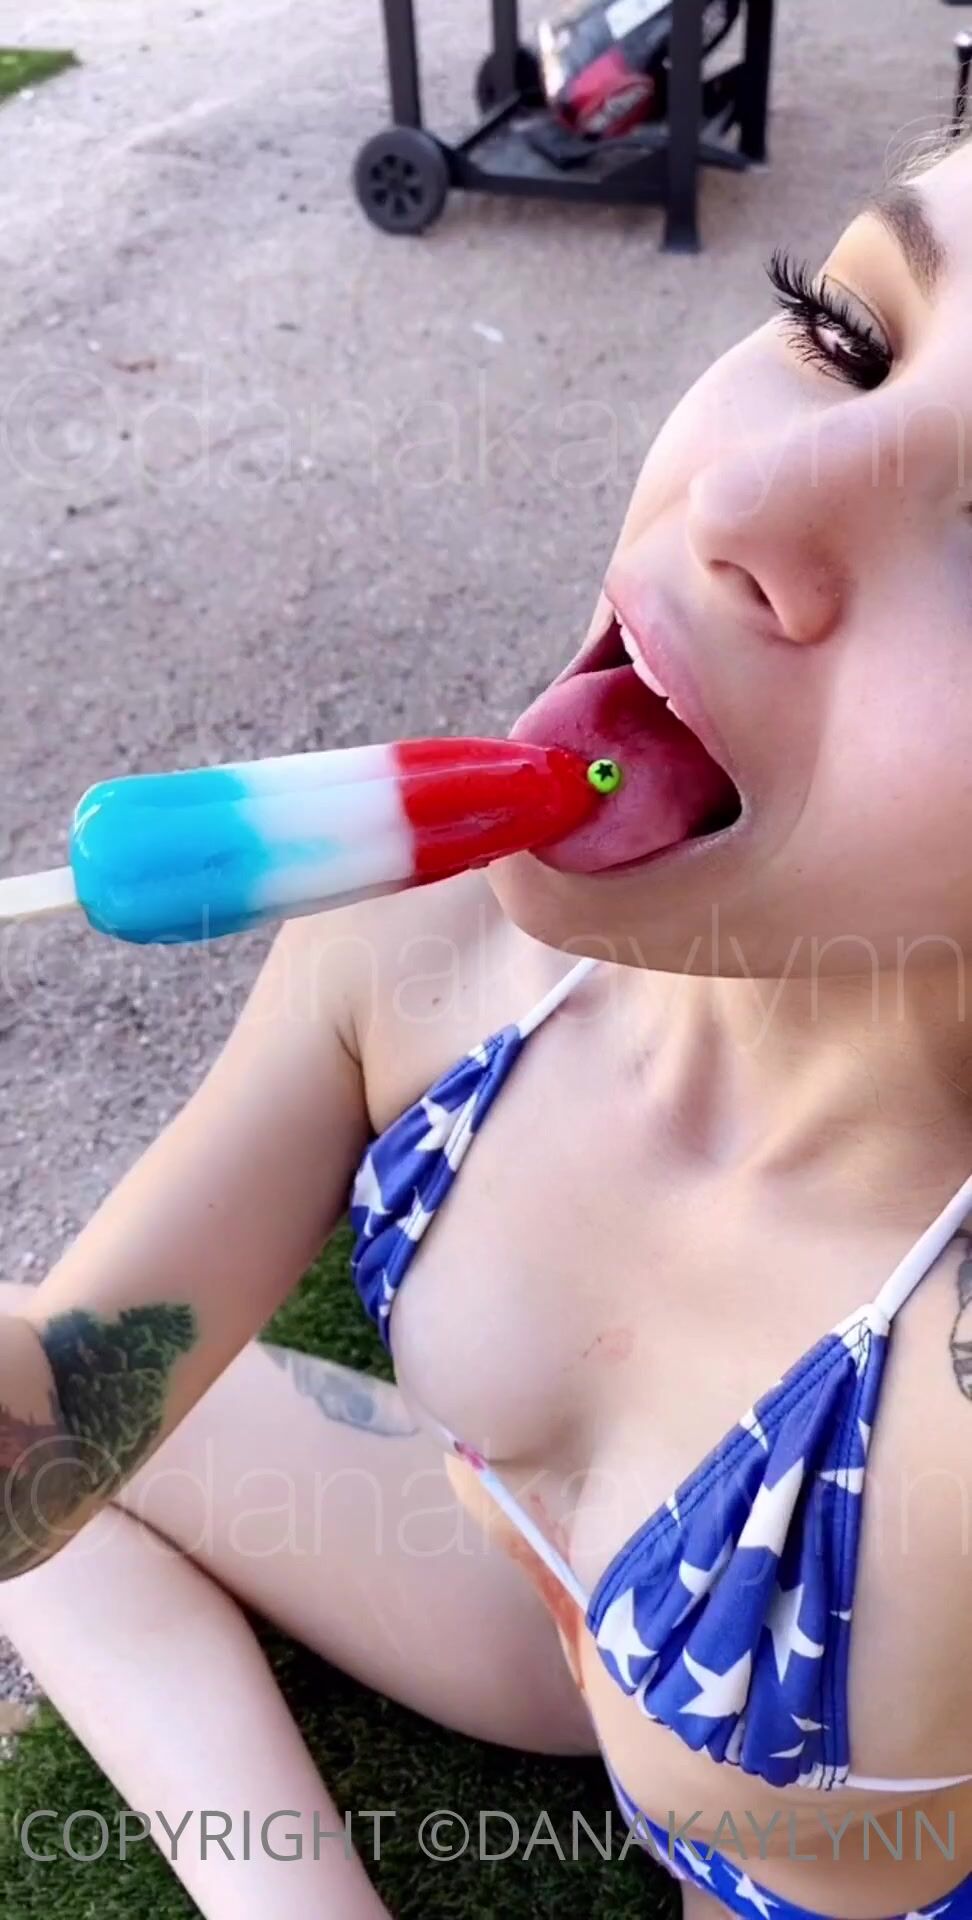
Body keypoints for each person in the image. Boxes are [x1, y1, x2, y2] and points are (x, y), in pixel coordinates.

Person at [4, 126, 972, 1920]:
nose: (747, 502)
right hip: (539, 1618)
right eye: (845, 334)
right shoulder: (425, 945)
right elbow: (46, 1447)